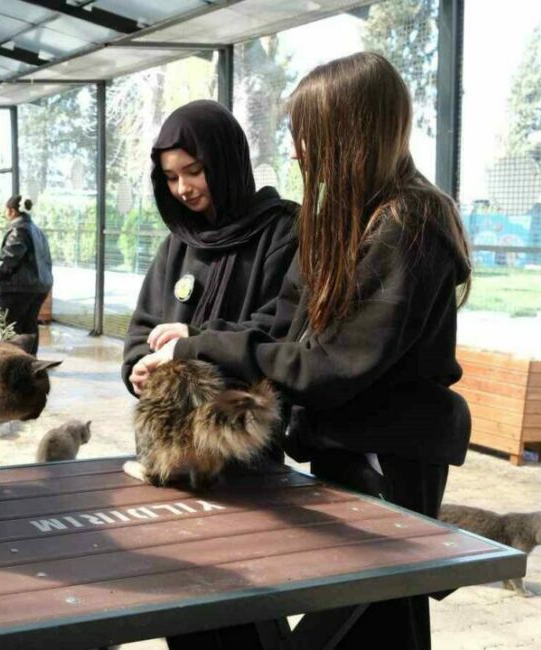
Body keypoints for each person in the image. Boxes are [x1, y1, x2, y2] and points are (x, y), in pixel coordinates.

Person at [132, 52, 472, 650]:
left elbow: (330, 367)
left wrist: (199, 345)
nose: (296, 152)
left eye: (307, 135)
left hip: (387, 461)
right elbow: (290, 332)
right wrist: (188, 352)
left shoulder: (407, 225)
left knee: (373, 623)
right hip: (346, 451)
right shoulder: (351, 217)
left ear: (351, 134)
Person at [123, 100, 299, 397]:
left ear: (225, 163)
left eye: (194, 171)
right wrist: (139, 366)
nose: (182, 188)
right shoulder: (178, 243)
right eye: (171, 178)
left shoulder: (282, 231)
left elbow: (279, 326)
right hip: (174, 414)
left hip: (243, 413)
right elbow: (144, 324)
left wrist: (196, 341)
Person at [0, 194, 53, 355]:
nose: (5, 213)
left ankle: (12, 361)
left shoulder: (18, 229)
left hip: (19, 288)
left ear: (12, 211)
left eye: (6, 209)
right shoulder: (37, 230)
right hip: (39, 287)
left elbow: (11, 254)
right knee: (29, 326)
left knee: (10, 326)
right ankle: (29, 361)